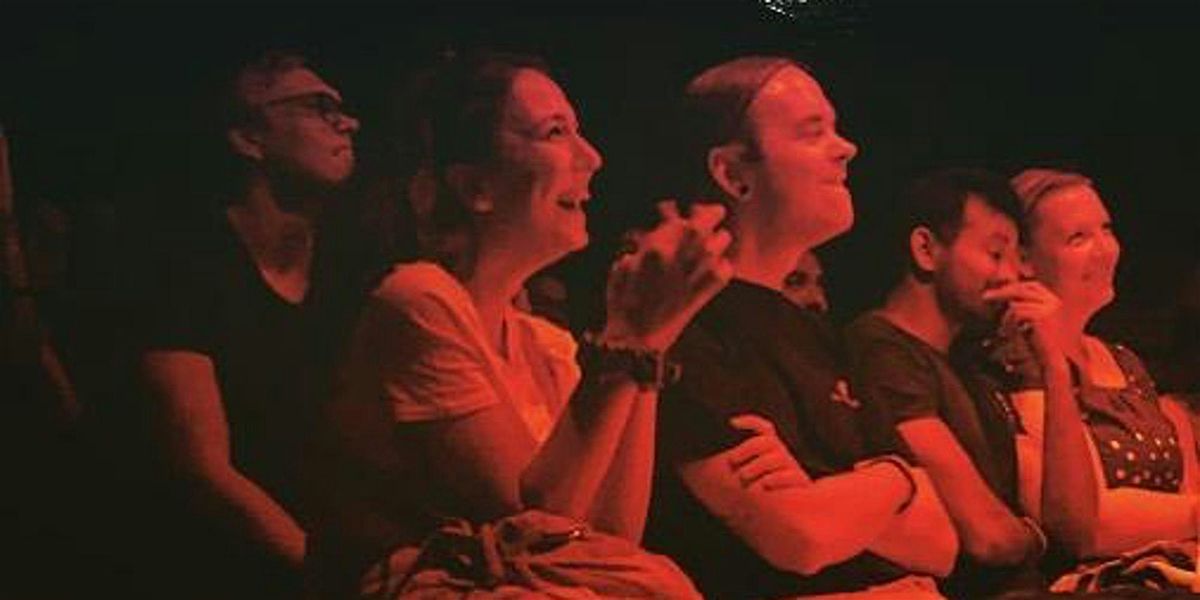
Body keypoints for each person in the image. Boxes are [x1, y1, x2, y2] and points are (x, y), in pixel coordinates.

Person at [317, 51, 730, 598]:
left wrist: (653, 338)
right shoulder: (418, 300)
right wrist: (628, 336)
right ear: (475, 186)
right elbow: (536, 537)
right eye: (555, 132)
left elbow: (611, 540)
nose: (593, 158)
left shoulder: (546, 343)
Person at [643, 55, 958, 600]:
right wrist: (897, 482)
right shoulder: (684, 328)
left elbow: (941, 545)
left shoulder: (818, 334)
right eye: (814, 133)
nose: (846, 148)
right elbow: (799, 538)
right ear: (733, 175)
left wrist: (853, 482)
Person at [135, 51, 365, 597]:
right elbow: (203, 471)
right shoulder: (184, 269)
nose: (347, 122)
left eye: (341, 107)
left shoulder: (353, 268)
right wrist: (333, 579)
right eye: (318, 106)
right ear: (248, 138)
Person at [843, 168, 1081, 597]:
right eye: (995, 253)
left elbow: (1075, 526)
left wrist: (1055, 366)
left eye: (1015, 259)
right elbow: (988, 540)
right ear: (926, 249)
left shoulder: (970, 364)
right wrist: (1039, 540)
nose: (1011, 277)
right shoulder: (881, 349)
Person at [1006, 169, 1200, 576]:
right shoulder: (1019, 360)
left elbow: (1184, 490)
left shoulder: (1124, 361)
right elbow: (1085, 523)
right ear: (1024, 260)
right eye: (1078, 238)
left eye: (1106, 229)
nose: (1107, 251)